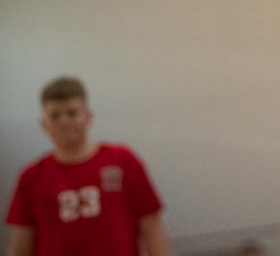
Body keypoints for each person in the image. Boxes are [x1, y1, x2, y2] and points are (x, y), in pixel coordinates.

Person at [4, 76, 171, 256]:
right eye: (55, 116)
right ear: (44, 124)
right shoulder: (31, 177)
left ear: (88, 116)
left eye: (72, 113)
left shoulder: (122, 161)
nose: (64, 122)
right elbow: (21, 243)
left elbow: (151, 223)